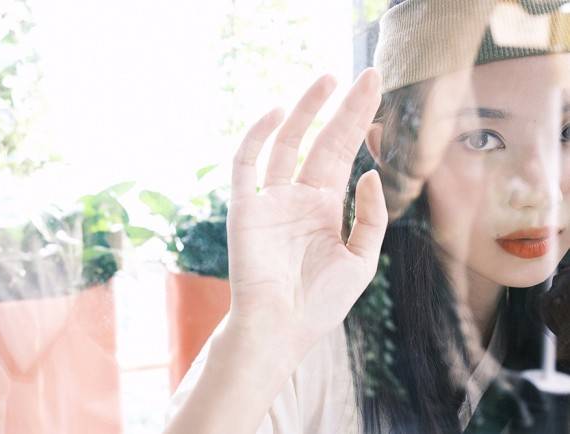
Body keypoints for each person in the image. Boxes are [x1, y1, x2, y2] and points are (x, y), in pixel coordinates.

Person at [163, 0, 570, 433]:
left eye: (566, 132)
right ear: (395, 149)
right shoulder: (312, 338)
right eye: (483, 139)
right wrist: (256, 346)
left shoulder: (549, 326)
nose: (542, 192)